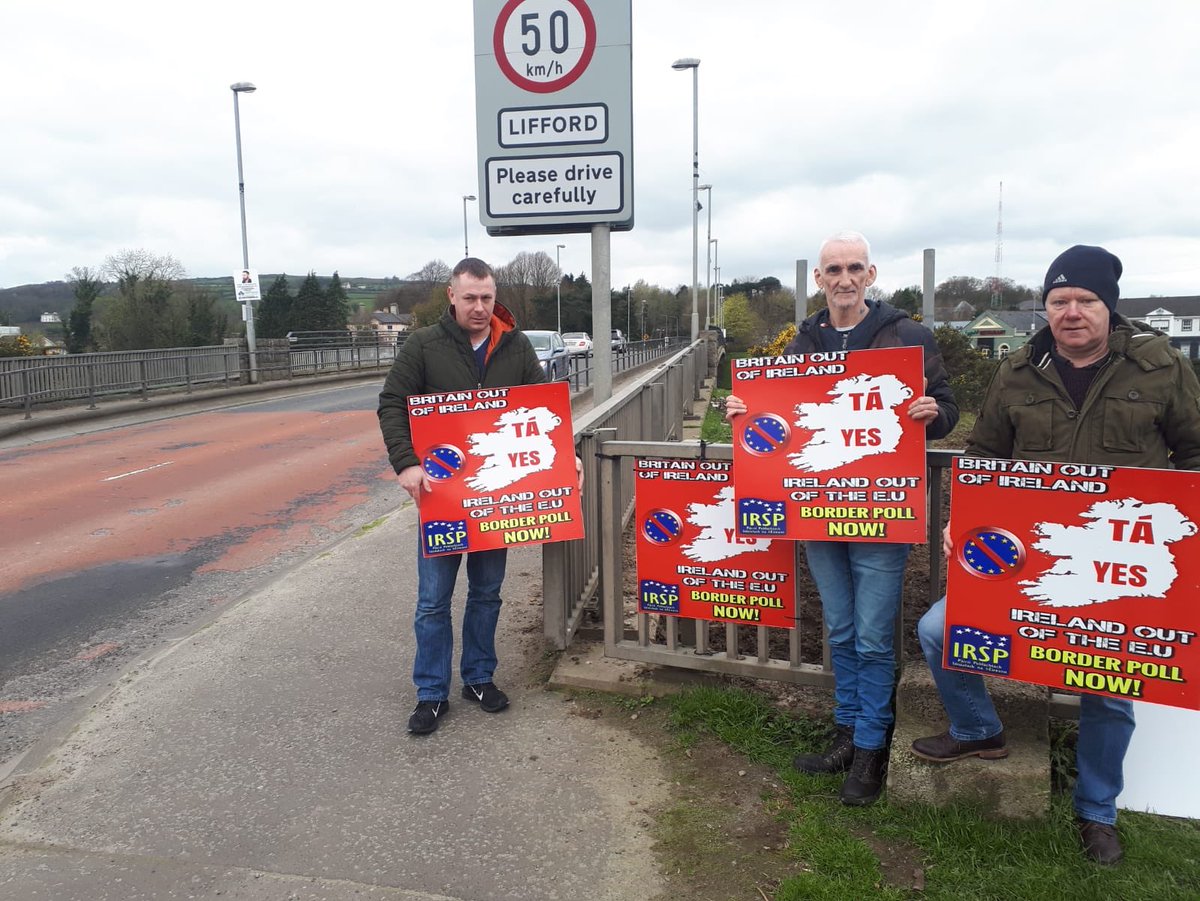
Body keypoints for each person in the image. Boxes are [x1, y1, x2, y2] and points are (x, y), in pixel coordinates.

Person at [913, 244, 1200, 864]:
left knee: (1110, 685)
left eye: (1085, 300)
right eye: (1059, 300)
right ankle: (977, 731)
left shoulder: (1160, 366)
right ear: (1045, 306)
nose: (1071, 312)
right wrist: (961, 522)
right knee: (939, 631)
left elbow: (1195, 454)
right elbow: (984, 457)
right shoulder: (1018, 370)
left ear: (1108, 305)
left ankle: (1096, 810)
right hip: (1030, 557)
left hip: (1119, 563)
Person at [726, 231, 958, 805]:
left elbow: (949, 408)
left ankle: (874, 744)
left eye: (855, 267)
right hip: (818, 511)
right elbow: (777, 411)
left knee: (877, 637)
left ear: (871, 274)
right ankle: (849, 731)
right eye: (834, 269)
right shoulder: (801, 341)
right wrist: (742, 408)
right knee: (843, 630)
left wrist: (935, 411)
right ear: (819, 279)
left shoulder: (909, 336)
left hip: (881, 508)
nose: (845, 278)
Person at [378, 257, 548, 735]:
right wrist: (406, 462)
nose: (478, 307)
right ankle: (431, 692)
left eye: (486, 298)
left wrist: (564, 455)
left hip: (496, 495)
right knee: (433, 600)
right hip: (443, 497)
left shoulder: (514, 346)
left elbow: (539, 404)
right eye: (469, 297)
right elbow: (392, 401)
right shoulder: (424, 345)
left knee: (488, 592)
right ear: (451, 296)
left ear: (496, 298)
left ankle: (478, 678)